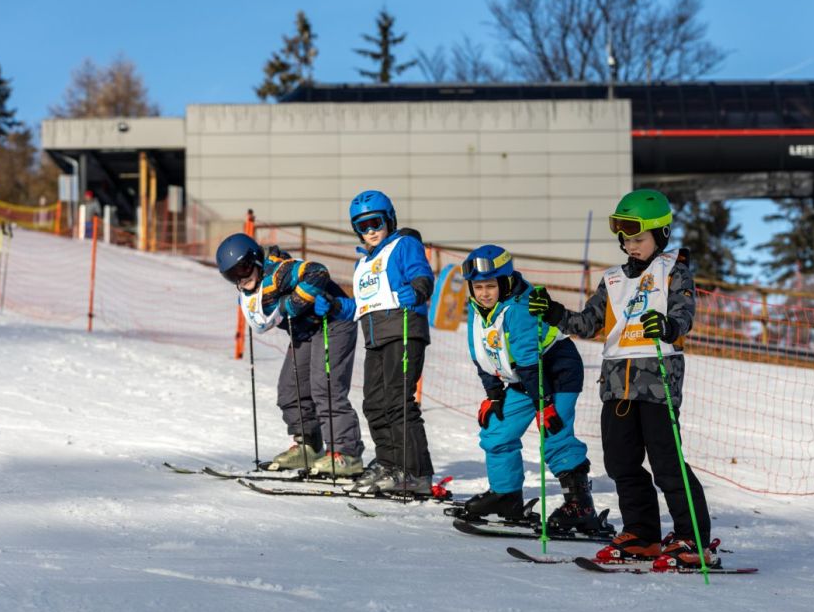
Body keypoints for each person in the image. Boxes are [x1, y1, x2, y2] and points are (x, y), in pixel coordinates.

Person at [528, 189, 713, 568]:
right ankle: (642, 534)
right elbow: (587, 323)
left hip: (657, 379)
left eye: (638, 238)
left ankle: (693, 538)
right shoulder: (612, 279)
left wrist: (667, 325)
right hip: (616, 384)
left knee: (666, 462)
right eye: (626, 239)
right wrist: (552, 312)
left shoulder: (673, 270)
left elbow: (684, 315)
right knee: (621, 462)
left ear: (660, 235)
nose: (631, 246)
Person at [459, 244, 607, 533]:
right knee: (497, 432)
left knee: (554, 434)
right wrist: (494, 395)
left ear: (506, 282)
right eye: (478, 287)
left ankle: (580, 506)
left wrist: (544, 404)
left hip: (555, 371)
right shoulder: (478, 311)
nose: (484, 293)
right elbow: (480, 354)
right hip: (524, 378)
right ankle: (506, 496)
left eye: (490, 286)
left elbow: (529, 361)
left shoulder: (520, 307)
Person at [216, 233, 365, 476]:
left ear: (255, 260)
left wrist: (296, 302)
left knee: (324, 388)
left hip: (333, 321)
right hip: (306, 331)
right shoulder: (250, 290)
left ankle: (346, 453)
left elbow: (317, 272)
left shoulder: (279, 272)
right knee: (290, 389)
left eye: (243, 268)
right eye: (232, 275)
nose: (241, 278)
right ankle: (308, 446)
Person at [321, 190, 435, 495]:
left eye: (375, 222)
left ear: (389, 219)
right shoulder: (364, 264)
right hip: (375, 337)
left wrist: (419, 289)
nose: (370, 231)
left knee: (398, 402)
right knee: (374, 404)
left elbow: (421, 274)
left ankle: (415, 472)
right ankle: (389, 462)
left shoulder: (404, 244)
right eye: (362, 226)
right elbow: (360, 306)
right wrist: (333, 307)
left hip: (404, 329)